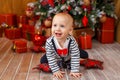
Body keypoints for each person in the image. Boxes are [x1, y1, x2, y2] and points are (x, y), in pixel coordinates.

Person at [40, 12, 88, 79]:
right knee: (43, 60)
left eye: (62, 26)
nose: (57, 29)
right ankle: (63, 58)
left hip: (69, 54)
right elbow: (50, 57)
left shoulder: (72, 41)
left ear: (70, 30)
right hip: (55, 54)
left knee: (84, 54)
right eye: (55, 25)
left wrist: (74, 70)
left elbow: (75, 55)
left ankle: (76, 50)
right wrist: (56, 70)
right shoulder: (49, 42)